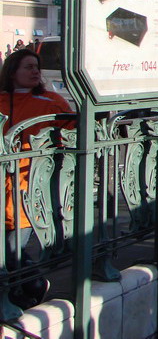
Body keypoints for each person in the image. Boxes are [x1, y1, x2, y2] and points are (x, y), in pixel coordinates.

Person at [0, 49, 73, 309]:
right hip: (4, 184)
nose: (34, 72)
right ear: (12, 71)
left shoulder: (51, 101)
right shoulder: (0, 99)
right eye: (28, 67)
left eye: (36, 67)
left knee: (11, 248)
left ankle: (25, 289)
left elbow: (70, 137)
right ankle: (25, 289)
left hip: (28, 187)